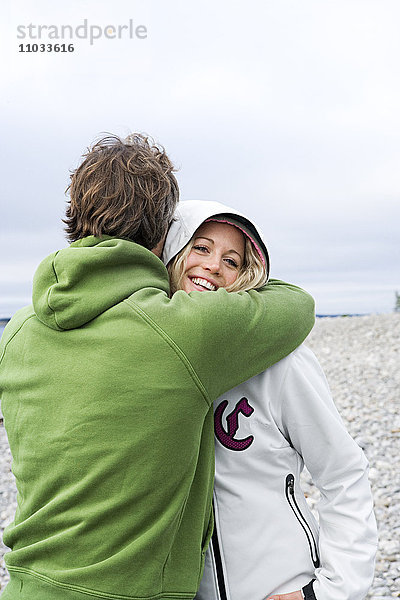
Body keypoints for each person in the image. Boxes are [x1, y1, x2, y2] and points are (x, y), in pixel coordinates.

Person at [0, 134, 315, 600]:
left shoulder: (17, 332)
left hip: (26, 587)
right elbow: (297, 305)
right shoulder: (182, 333)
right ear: (163, 234)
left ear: (75, 215)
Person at [164, 200, 378, 600]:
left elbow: (343, 474)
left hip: (280, 588)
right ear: (172, 252)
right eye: (201, 248)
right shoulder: (149, 359)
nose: (214, 266)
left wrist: (328, 592)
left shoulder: (281, 362)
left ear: (245, 276)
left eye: (232, 260)